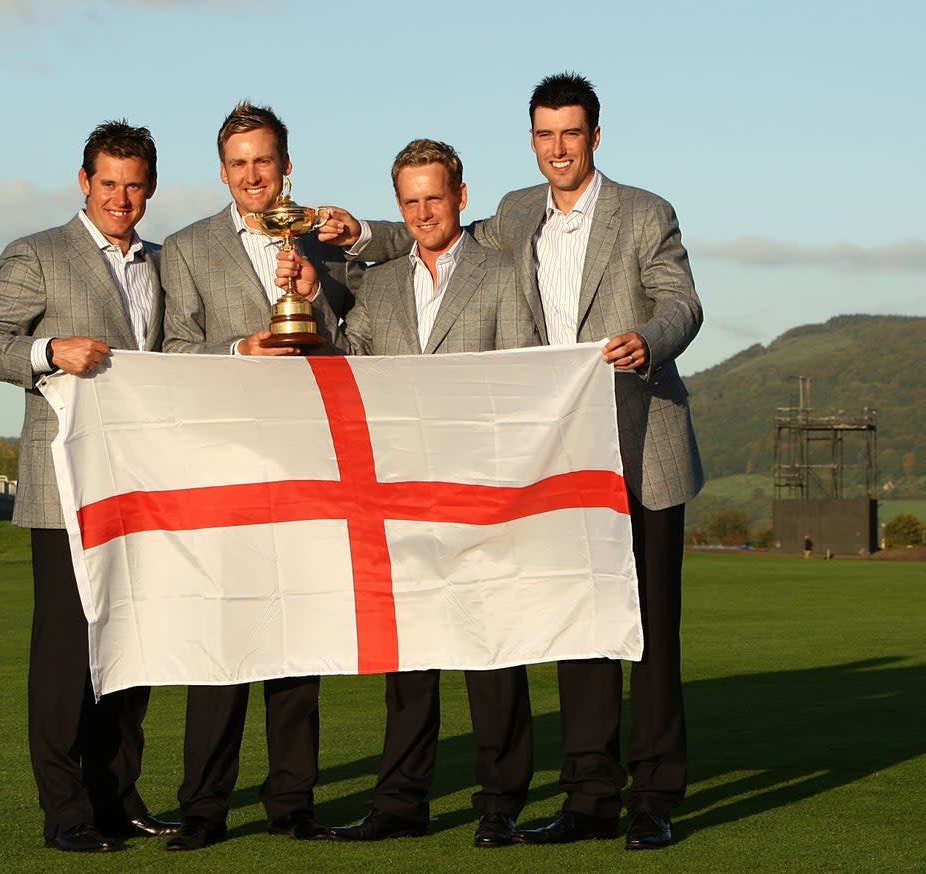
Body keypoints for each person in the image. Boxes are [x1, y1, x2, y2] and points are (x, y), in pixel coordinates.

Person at [337, 72, 705, 851]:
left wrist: (653, 341)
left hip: (643, 444)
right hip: (563, 458)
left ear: (595, 137)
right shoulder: (512, 214)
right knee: (579, 629)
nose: (558, 148)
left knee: (650, 631)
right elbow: (431, 231)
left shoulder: (646, 214)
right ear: (532, 139)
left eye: (571, 133)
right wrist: (363, 236)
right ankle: (590, 795)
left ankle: (656, 796)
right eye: (545, 134)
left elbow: (682, 301)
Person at [278, 138, 539, 848]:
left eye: (435, 197)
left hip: (479, 486)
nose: (424, 211)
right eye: (410, 201)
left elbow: (517, 377)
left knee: (491, 654)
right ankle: (400, 802)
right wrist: (310, 306)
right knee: (409, 659)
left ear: (460, 195)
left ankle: (501, 801)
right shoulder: (383, 281)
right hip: (399, 490)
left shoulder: (503, 273)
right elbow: (350, 360)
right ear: (399, 205)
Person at [0, 121, 178, 852]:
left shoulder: (159, 263)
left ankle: (119, 798)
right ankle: (67, 812)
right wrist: (48, 350)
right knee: (65, 656)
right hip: (62, 485)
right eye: (109, 182)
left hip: (137, 487)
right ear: (83, 182)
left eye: (135, 183)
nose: (122, 196)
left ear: (150, 186)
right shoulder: (39, 254)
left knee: (129, 647)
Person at [158, 101, 359, 852]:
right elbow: (171, 353)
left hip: (306, 460)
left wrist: (315, 299)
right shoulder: (183, 248)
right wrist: (240, 349)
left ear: (286, 166)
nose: (252, 174)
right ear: (222, 171)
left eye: (264, 160)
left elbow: (353, 342)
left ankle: (292, 800)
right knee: (221, 636)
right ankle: (204, 805)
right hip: (225, 463)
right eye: (239, 162)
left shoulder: (323, 240)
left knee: (296, 636)